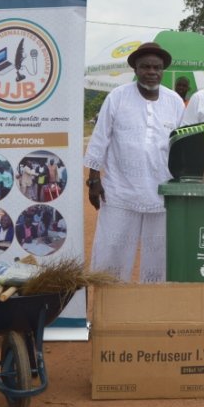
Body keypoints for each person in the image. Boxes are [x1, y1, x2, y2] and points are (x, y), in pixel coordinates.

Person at [84, 42, 184, 282]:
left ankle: (153, 308)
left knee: (159, 256)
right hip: (120, 191)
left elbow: (183, 144)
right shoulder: (117, 97)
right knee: (112, 252)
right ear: (136, 70)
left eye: (157, 67)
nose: (152, 71)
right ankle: (110, 308)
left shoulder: (175, 102)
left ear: (163, 71)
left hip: (162, 192)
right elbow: (100, 139)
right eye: (145, 66)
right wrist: (94, 179)